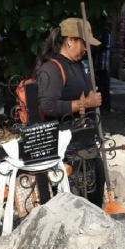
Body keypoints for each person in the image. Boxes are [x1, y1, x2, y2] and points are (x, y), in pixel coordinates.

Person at [35, 17, 104, 206]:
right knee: (76, 199)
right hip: (67, 148)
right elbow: (48, 106)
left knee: (97, 185)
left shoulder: (79, 65)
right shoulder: (51, 68)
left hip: (86, 141)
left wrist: (91, 98)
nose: (85, 50)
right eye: (84, 44)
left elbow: (85, 94)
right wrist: (85, 104)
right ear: (70, 40)